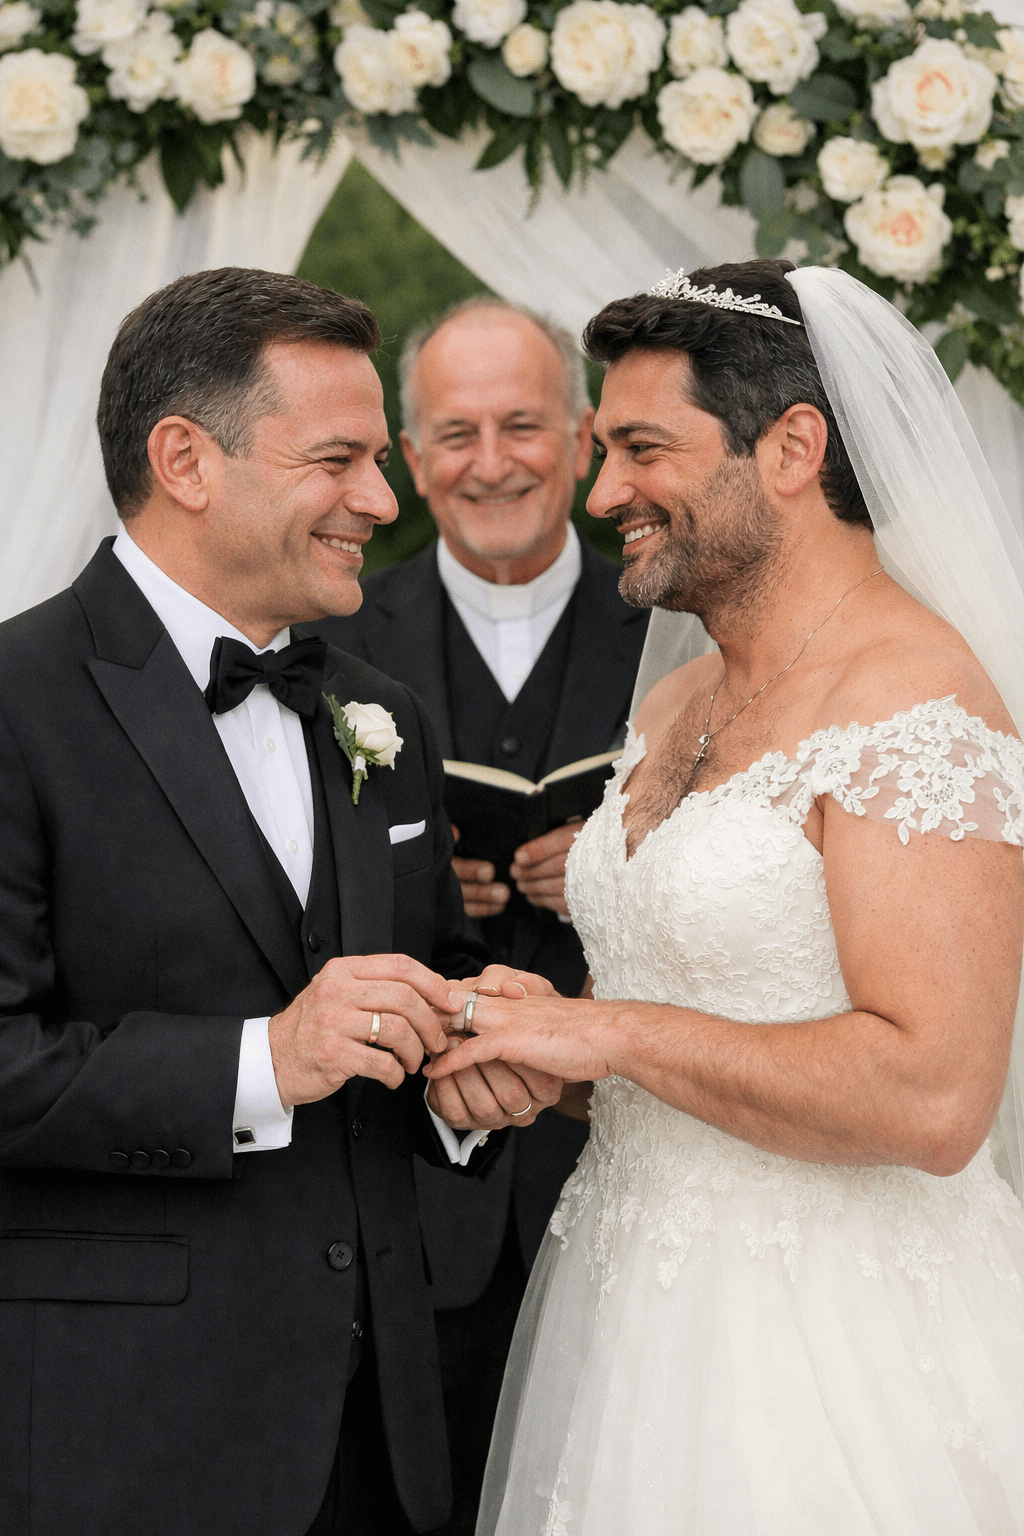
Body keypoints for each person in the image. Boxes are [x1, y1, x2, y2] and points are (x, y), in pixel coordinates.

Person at [425, 260, 1024, 1534]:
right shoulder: (675, 697)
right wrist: (541, 1046)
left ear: (793, 448)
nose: (603, 493)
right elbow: (677, 1019)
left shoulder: (913, 701)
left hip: (837, 1343)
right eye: (605, 450)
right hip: (629, 1313)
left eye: (642, 449)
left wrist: (608, 1030)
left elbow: (933, 1098)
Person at [0, 266, 563, 1536]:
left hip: (380, 1434)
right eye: (338, 460)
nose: (382, 500)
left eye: (379, 460)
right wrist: (263, 1062)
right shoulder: (16, 702)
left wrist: (467, 1066)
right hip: (126, 1438)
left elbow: (423, 970)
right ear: (185, 461)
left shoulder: (378, 710)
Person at [312, 297, 648, 1533]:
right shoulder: (325, 628)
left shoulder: (677, 623)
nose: (491, 462)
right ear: (410, 453)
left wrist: (620, 862)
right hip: (409, 1191)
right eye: (456, 433)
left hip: (630, 1172)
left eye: (522, 425)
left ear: (581, 436)